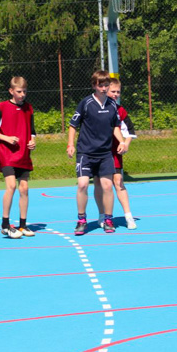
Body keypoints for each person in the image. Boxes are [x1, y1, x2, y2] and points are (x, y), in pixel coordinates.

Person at [67, 70, 128, 235]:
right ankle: (81, 220)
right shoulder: (85, 103)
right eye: (101, 85)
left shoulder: (112, 105)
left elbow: (116, 126)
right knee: (83, 184)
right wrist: (70, 145)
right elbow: (73, 125)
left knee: (108, 186)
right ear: (94, 85)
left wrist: (122, 141)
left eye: (106, 85)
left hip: (105, 154)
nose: (104, 88)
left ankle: (108, 219)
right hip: (85, 153)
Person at [0, 76, 37, 238]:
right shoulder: (2, 107)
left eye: (24, 91)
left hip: (23, 154)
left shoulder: (29, 108)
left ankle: (22, 225)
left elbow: (32, 131)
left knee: (24, 188)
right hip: (7, 154)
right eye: (19, 91)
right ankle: (5, 224)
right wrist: (7, 138)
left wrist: (33, 141)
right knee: (11, 186)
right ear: (11, 91)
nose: (22, 94)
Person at [94, 78, 138, 229]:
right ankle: (102, 215)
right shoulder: (95, 107)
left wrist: (125, 144)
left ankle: (128, 216)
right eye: (113, 91)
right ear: (105, 90)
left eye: (118, 92)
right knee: (99, 184)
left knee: (118, 182)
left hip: (114, 152)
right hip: (98, 151)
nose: (115, 94)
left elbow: (130, 130)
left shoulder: (120, 110)